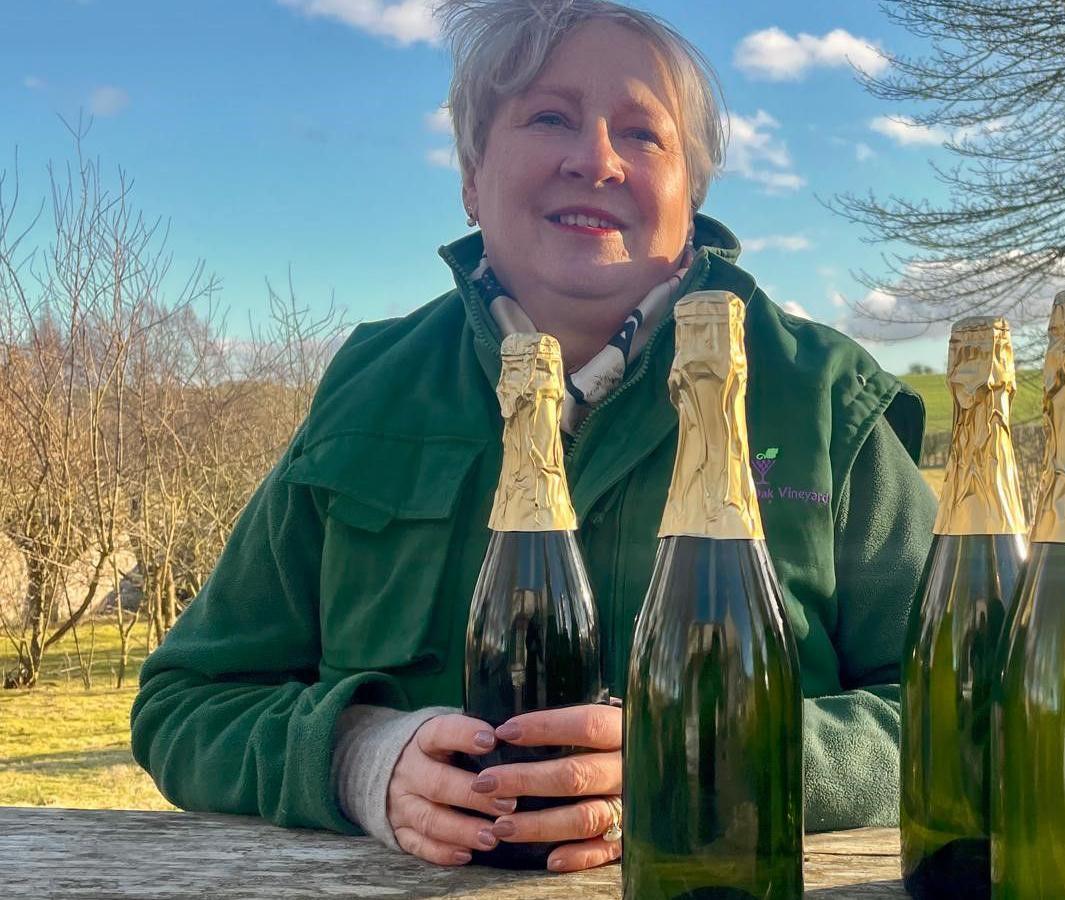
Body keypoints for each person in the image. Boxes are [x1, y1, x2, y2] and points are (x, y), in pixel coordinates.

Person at [130, 0, 937, 875]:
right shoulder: (369, 390)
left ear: (691, 191)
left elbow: (974, 709)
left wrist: (715, 760)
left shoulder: (821, 396)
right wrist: (356, 756)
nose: (594, 160)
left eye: (643, 134)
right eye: (549, 117)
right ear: (472, 178)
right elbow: (186, 704)